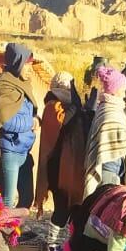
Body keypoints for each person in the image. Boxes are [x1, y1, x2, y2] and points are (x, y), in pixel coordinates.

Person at [0, 42, 37, 207]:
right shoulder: (4, 85)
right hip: (9, 151)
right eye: (28, 65)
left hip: (25, 152)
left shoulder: (25, 86)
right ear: (18, 63)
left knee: (26, 198)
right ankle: (2, 233)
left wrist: (35, 118)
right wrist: (30, 123)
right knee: (7, 201)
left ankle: (12, 231)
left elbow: (27, 112)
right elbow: (5, 120)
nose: (30, 69)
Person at [34, 72, 79, 230]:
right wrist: (74, 110)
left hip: (63, 166)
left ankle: (58, 246)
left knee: (66, 208)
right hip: (55, 166)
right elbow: (61, 125)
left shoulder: (59, 106)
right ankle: (53, 246)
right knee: (61, 208)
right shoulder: (53, 106)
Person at [84, 66, 126, 195]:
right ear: (114, 90)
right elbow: (120, 145)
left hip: (112, 171)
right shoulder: (111, 113)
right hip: (108, 174)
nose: (125, 94)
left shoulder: (106, 108)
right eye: (123, 90)